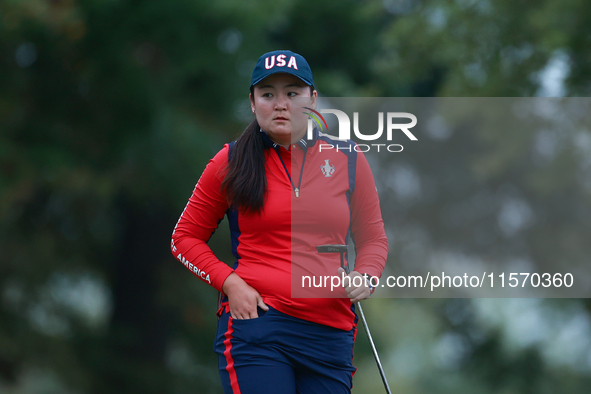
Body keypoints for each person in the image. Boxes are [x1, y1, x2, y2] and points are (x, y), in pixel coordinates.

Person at [171, 50, 388, 394]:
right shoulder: (230, 162)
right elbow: (183, 238)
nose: (280, 104)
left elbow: (373, 238)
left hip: (330, 333)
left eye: (292, 92)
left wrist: (366, 274)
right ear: (253, 102)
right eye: (268, 94)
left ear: (313, 99)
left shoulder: (349, 160)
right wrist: (231, 284)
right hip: (258, 326)